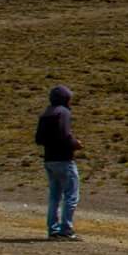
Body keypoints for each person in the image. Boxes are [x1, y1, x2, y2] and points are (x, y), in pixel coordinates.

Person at [36, 85, 84, 241]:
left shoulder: (46, 113)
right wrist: (75, 143)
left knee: (54, 196)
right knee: (71, 195)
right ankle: (66, 230)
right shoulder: (63, 112)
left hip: (49, 160)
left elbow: (38, 139)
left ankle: (53, 230)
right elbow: (65, 135)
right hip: (64, 160)